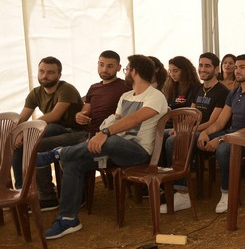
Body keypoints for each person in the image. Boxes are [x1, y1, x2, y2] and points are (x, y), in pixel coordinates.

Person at [40, 55, 169, 238]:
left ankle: (58, 153)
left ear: (134, 72)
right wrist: (104, 132)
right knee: (73, 162)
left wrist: (105, 133)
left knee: (112, 140)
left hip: (137, 152)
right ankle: (68, 219)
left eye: (127, 69)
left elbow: (134, 119)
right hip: (111, 151)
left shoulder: (156, 97)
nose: (126, 73)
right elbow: (115, 120)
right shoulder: (126, 96)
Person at [197, 54, 245, 213]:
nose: (237, 70)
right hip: (232, 133)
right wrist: (205, 132)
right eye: (236, 67)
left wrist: (221, 139)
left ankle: (227, 193)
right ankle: (183, 191)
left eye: (242, 67)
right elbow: (220, 122)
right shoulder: (234, 92)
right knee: (192, 138)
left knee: (224, 149)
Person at [13, 56, 87, 211]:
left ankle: (46, 196)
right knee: (20, 142)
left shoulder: (66, 88)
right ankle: (21, 191)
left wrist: (28, 130)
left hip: (74, 132)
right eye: (41, 71)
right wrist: (16, 133)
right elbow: (22, 118)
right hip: (52, 132)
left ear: (59, 75)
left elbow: (54, 116)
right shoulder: (36, 93)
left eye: (50, 72)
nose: (44, 76)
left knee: (44, 131)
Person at [163, 52, 229, 213]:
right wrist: (180, 128)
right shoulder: (198, 88)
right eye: (201, 65)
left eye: (207, 66)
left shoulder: (222, 91)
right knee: (163, 134)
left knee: (174, 141)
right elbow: (191, 114)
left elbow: (214, 122)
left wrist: (186, 131)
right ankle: (165, 183)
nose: (203, 69)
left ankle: (183, 193)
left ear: (216, 69)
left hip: (211, 131)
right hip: (195, 129)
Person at [75, 50, 132, 135]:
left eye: (110, 66)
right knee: (52, 131)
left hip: (109, 135)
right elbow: (85, 113)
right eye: (101, 65)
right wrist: (79, 116)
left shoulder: (126, 86)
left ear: (119, 68)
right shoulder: (93, 87)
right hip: (87, 133)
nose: (104, 69)